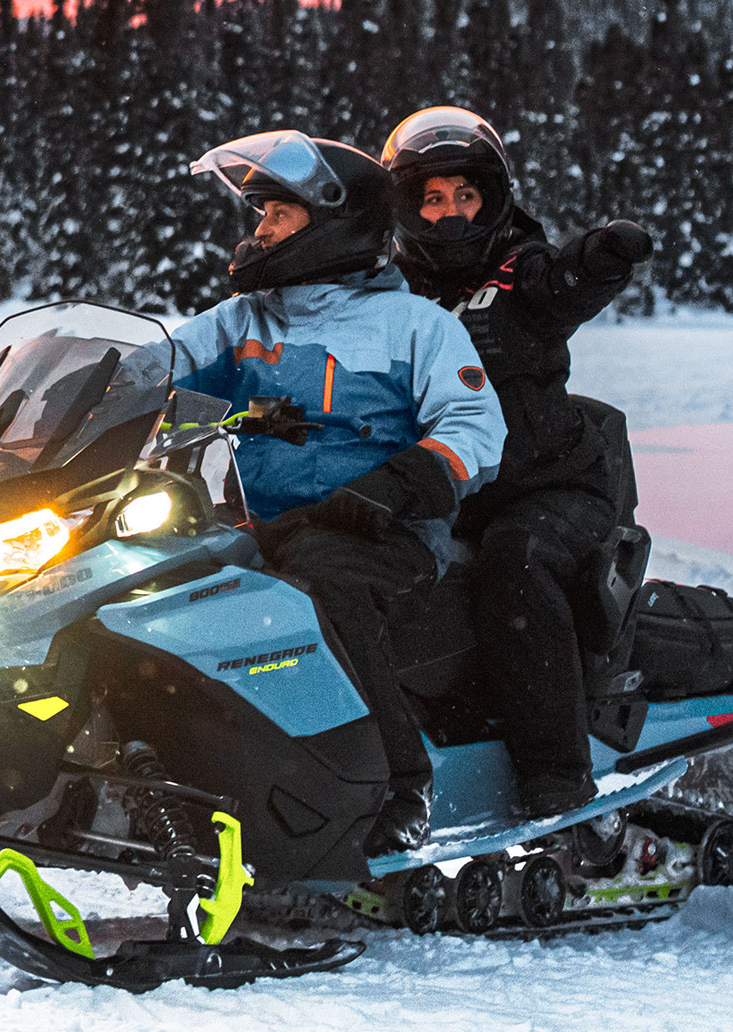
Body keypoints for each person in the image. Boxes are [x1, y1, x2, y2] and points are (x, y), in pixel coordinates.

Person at [162, 128, 507, 852]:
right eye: (259, 216)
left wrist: (398, 484)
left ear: (332, 221)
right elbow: (160, 381)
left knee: (323, 582)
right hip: (263, 525)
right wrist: (73, 398)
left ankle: (400, 787)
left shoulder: (416, 325)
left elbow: (476, 428)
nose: (260, 232)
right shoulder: (243, 321)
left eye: (276, 216)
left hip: (384, 534)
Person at [382, 106, 659, 815]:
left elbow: (561, 281)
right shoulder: (389, 296)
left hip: (552, 488)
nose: (449, 215)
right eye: (433, 199)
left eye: (464, 197)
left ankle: (557, 782)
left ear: (492, 199)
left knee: (516, 557)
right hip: (448, 491)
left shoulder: (517, 272)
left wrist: (600, 256)